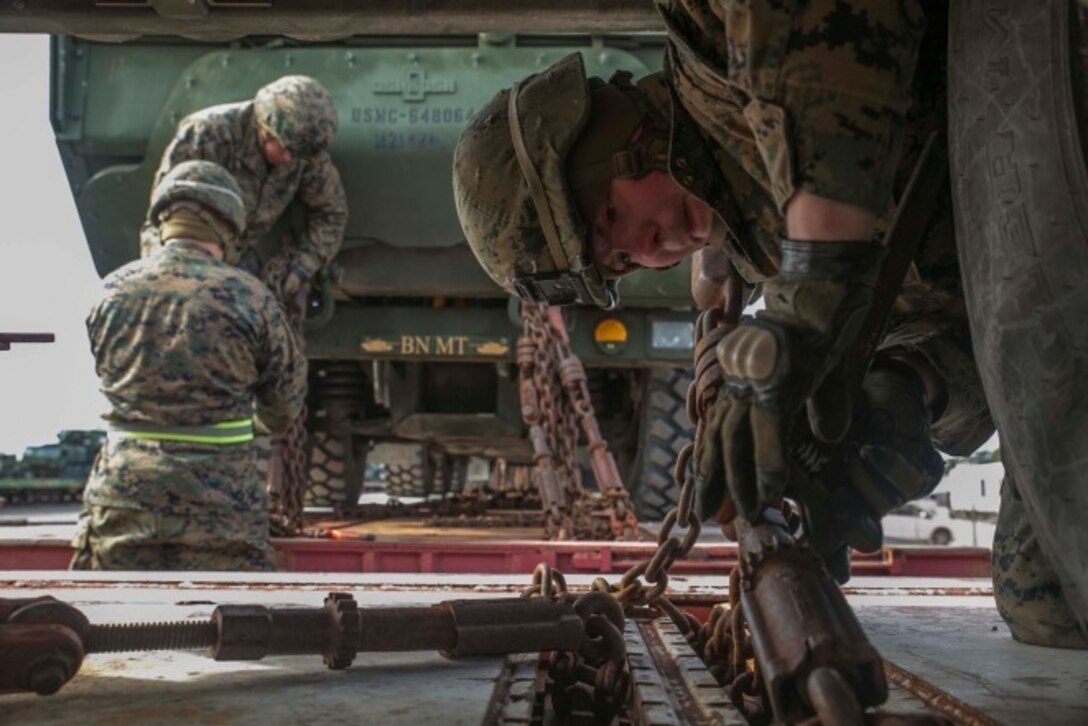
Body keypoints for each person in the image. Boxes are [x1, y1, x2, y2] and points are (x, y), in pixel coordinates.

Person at [451, 0, 1086, 647]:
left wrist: (809, 295)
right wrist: (912, 387)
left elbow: (829, 43)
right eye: (622, 262)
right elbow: (984, 326)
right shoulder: (762, 247)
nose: (649, 248)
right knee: (1045, 595)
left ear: (610, 133)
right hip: (1063, 263)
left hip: (1055, 81)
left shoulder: (712, 39)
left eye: (610, 216)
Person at [72, 160, 307, 571]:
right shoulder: (250, 298)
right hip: (222, 504)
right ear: (228, 225)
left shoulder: (111, 292)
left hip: (122, 495)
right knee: (230, 610)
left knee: (114, 608)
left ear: (163, 218)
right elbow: (284, 407)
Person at [139, 74, 348, 302]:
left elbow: (331, 213)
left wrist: (299, 267)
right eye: (283, 149)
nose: (289, 159)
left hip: (244, 257)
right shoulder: (208, 135)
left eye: (297, 154)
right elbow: (164, 214)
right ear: (263, 128)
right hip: (192, 251)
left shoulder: (303, 151)